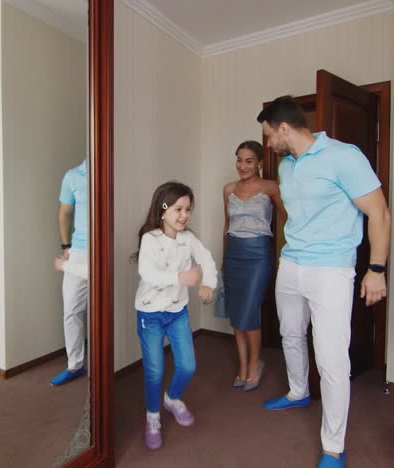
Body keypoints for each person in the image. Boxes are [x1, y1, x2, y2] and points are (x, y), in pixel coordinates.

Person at [257, 95, 390, 468]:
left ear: (284, 128)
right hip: (292, 263)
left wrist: (376, 269)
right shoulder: (286, 166)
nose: (268, 144)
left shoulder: (344, 156)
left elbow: (379, 212)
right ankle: (298, 390)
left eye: (269, 135)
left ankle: (333, 446)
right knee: (291, 334)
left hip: (332, 268)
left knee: (332, 359)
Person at [133, 181, 217, 450]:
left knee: (188, 365)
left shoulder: (188, 239)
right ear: (163, 211)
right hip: (151, 314)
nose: (184, 215)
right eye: (178, 209)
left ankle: (172, 398)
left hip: (177, 311)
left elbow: (206, 260)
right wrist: (181, 276)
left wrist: (208, 284)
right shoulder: (150, 239)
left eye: (188, 209)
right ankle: (153, 416)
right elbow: (148, 274)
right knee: (155, 371)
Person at [222, 140, 286, 391]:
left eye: (249, 160)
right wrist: (223, 259)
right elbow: (226, 227)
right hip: (234, 254)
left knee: (249, 310)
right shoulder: (228, 189)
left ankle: (255, 363)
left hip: (259, 254)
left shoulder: (271, 188)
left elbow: (287, 219)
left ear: (259, 162)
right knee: (237, 314)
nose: (242, 165)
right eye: (239, 160)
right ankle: (243, 365)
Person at [51, 159, 89, 386]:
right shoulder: (73, 175)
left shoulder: (110, 170)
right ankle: (75, 365)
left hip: (106, 248)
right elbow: (65, 212)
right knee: (71, 311)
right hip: (79, 250)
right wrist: (65, 247)